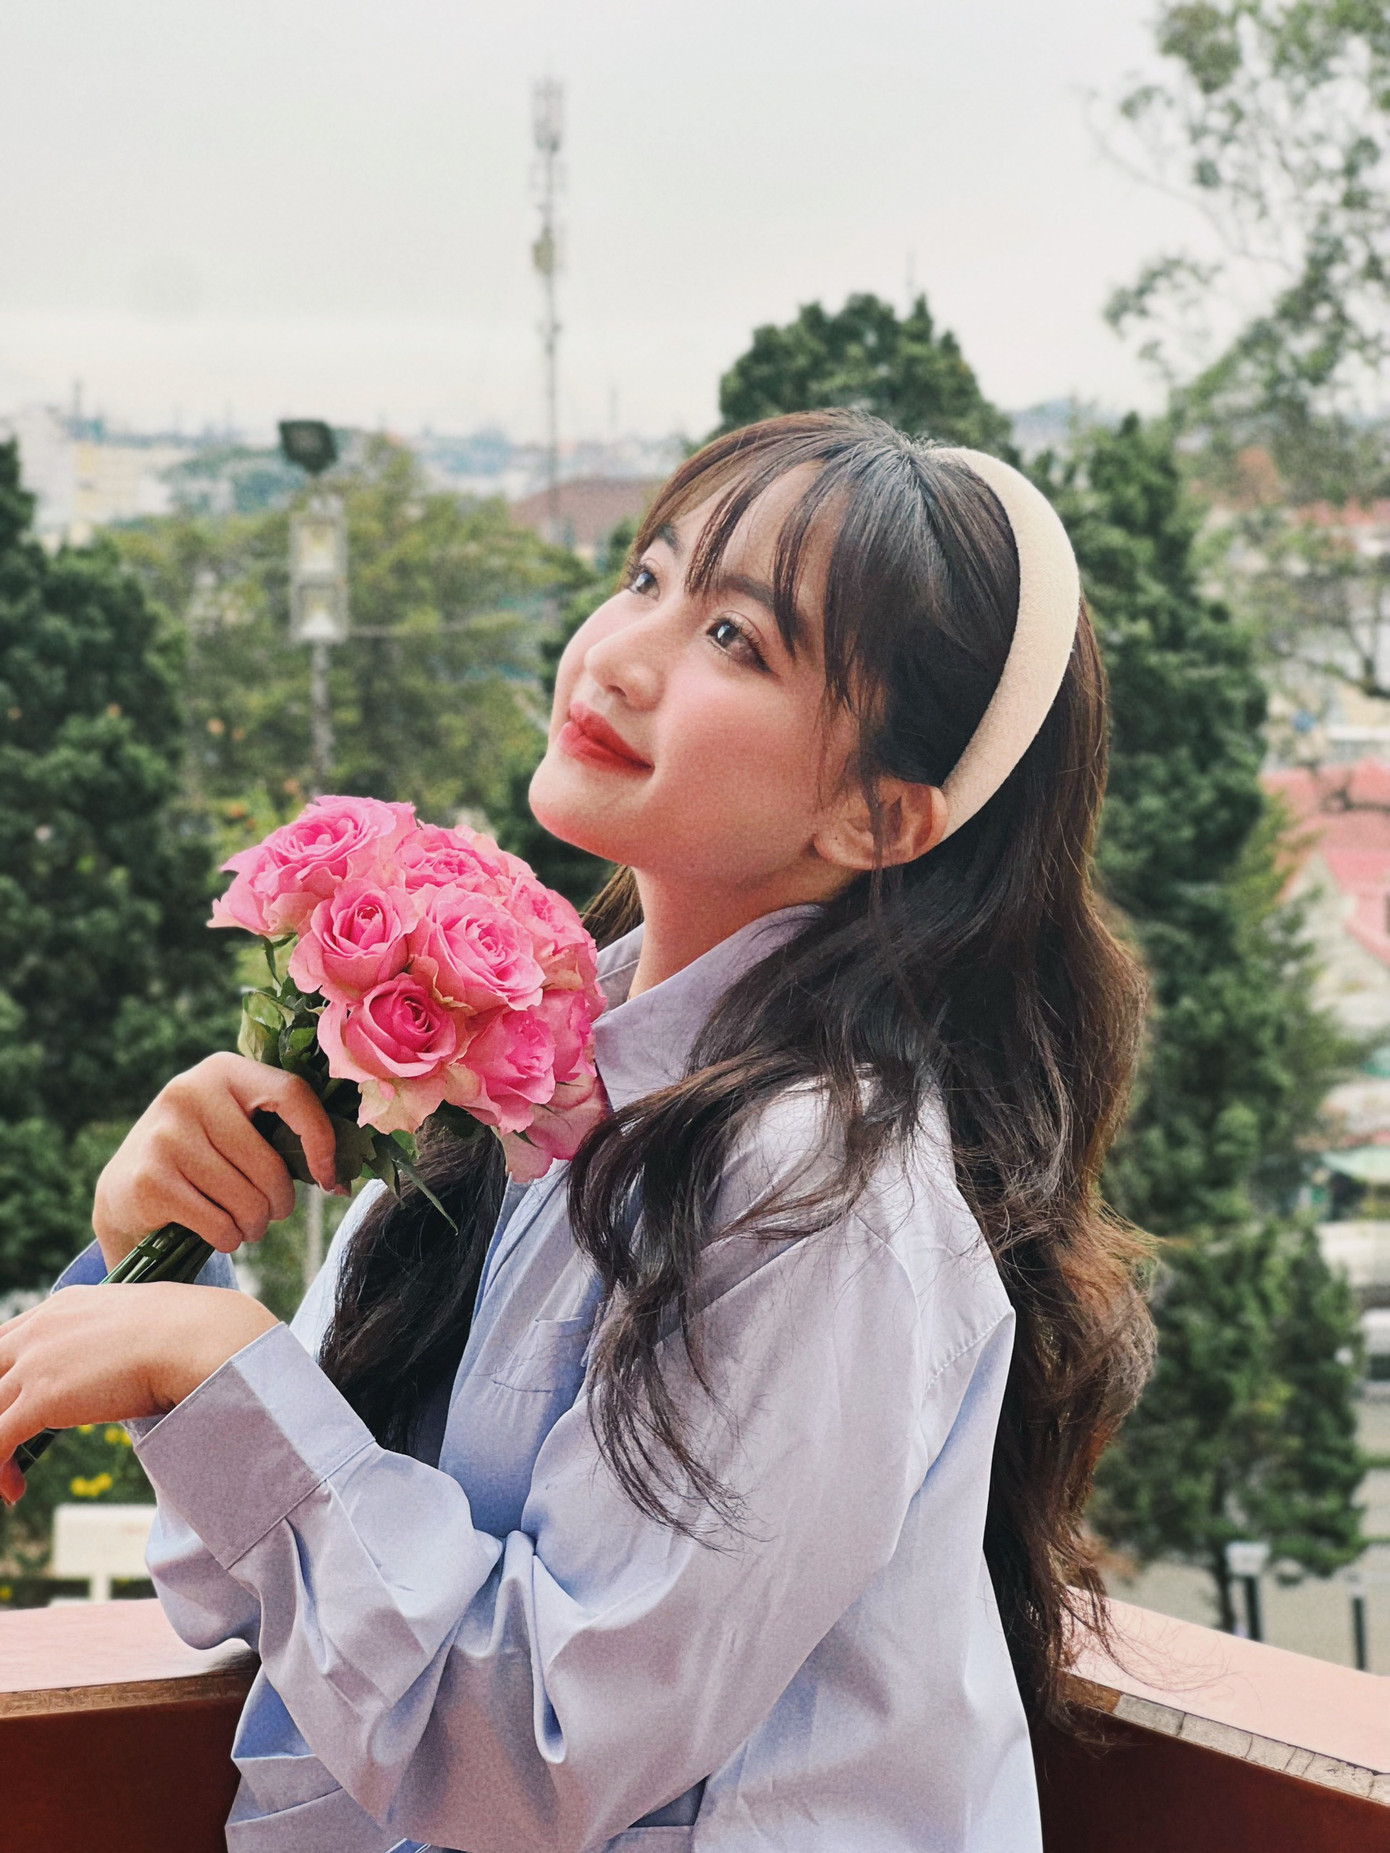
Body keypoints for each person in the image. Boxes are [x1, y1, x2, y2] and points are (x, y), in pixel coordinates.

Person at [0, 411, 1152, 1852]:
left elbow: (544, 1752)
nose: (617, 654)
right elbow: (244, 1587)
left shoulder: (821, 1191)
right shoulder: (523, 1081)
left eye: (736, 639)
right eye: (646, 577)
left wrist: (216, 1366)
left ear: (880, 818)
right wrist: (169, 1263)